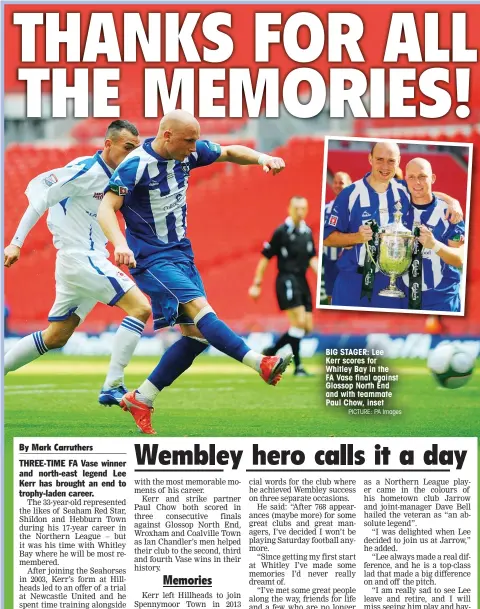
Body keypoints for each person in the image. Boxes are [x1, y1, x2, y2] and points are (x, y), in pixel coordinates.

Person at [97, 110, 291, 435]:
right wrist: (119, 243)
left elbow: (229, 152)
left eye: (196, 139)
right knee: (201, 310)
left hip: (182, 254)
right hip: (151, 259)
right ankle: (261, 362)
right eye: (189, 140)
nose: (194, 146)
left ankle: (142, 398)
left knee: (197, 338)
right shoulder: (135, 166)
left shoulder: (189, 153)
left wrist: (262, 158)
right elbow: (106, 206)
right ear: (167, 136)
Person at [4, 120, 152, 406]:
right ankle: (113, 385)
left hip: (79, 261)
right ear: (108, 144)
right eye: (127, 147)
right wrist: (16, 242)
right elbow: (41, 200)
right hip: (81, 257)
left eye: (136, 148)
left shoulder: (120, 177)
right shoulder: (87, 171)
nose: (132, 153)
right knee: (140, 308)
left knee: (56, 336)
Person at [323, 141, 463, 309]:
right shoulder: (350, 194)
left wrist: (453, 202)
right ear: (370, 159)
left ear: (398, 162)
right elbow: (327, 238)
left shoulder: (402, 189)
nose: (385, 166)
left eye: (391, 161)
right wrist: (356, 237)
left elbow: (426, 192)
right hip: (354, 282)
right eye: (380, 159)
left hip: (391, 286)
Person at [248, 196, 317, 376]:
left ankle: (272, 350)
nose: (300, 212)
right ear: (289, 209)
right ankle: (299, 367)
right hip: (286, 279)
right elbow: (266, 257)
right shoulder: (281, 232)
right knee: (299, 322)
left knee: (307, 326)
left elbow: (312, 258)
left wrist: (323, 276)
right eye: (297, 209)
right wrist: (257, 284)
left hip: (302, 280)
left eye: (303, 209)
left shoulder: (307, 233)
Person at [401, 157, 464, 312]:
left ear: (432, 178)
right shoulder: (397, 209)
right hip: (403, 299)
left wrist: (434, 245)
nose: (417, 182)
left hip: (442, 301)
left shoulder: (449, 214)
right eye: (412, 177)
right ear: (405, 179)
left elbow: (459, 259)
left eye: (422, 177)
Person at [322, 172, 352, 304]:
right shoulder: (325, 209)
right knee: (331, 297)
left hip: (350, 262)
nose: (338, 186)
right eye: (336, 182)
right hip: (330, 261)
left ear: (350, 185)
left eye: (342, 183)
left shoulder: (356, 208)